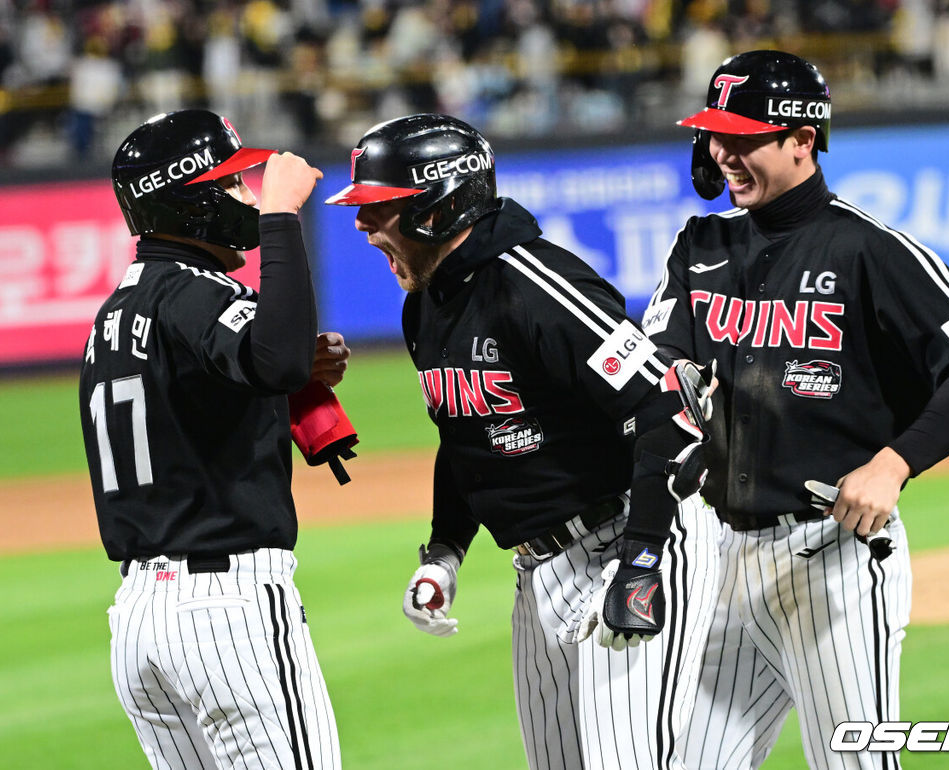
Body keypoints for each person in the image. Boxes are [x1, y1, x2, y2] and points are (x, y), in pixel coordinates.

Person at [644, 50, 949, 769]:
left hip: (832, 560)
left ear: (802, 140)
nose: (724, 154)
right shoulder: (702, 244)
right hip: (718, 559)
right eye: (716, 136)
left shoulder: (870, 251)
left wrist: (893, 464)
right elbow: (664, 375)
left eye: (743, 137)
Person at [325, 113, 719, 770]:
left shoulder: (537, 285)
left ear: (436, 205)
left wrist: (644, 562)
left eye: (378, 210)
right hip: (540, 571)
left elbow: (671, 410)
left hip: (635, 533)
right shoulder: (425, 305)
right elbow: (466, 437)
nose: (363, 228)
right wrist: (444, 552)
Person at [79, 109, 353, 770]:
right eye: (234, 186)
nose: (249, 197)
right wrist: (283, 218)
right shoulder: (194, 290)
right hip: (226, 612)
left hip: (142, 618)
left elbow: (231, 383)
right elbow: (279, 362)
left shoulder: (118, 310)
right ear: (189, 198)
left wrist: (280, 374)